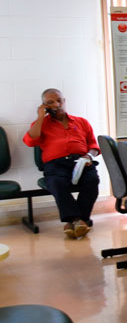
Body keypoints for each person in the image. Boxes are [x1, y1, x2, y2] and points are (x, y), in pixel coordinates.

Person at [23, 88, 100, 239]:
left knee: (92, 180)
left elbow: (94, 145)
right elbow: (30, 141)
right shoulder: (41, 124)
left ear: (64, 101)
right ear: (44, 106)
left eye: (59, 100)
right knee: (57, 183)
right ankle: (79, 220)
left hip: (81, 161)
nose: (57, 105)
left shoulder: (81, 122)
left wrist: (89, 156)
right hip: (56, 164)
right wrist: (40, 117)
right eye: (50, 103)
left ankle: (75, 221)